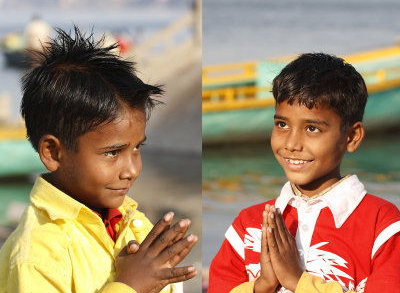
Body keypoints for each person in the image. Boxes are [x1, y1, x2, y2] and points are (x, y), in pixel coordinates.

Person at [0, 26, 198, 293]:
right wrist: (129, 285)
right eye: (113, 153)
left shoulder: (132, 224)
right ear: (53, 153)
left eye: (138, 148)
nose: (132, 170)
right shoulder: (37, 257)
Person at [208, 53, 400, 293]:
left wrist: (297, 281)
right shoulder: (249, 225)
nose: (292, 143)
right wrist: (262, 286)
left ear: (351, 137)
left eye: (312, 128)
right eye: (282, 124)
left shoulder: (381, 226)